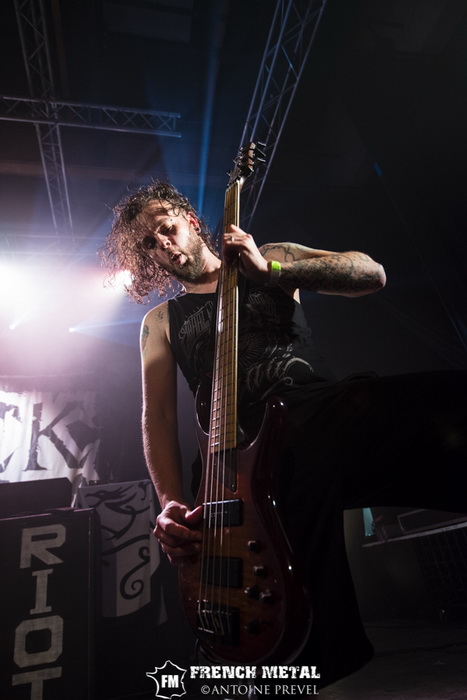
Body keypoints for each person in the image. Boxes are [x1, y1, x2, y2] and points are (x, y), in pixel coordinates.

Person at [102, 180, 467, 689]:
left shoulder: (270, 256)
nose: (163, 244)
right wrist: (169, 503)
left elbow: (371, 274)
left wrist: (270, 270)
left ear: (191, 220)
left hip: (314, 419)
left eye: (166, 228)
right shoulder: (159, 321)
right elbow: (158, 417)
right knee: (277, 627)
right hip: (233, 463)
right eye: (149, 243)